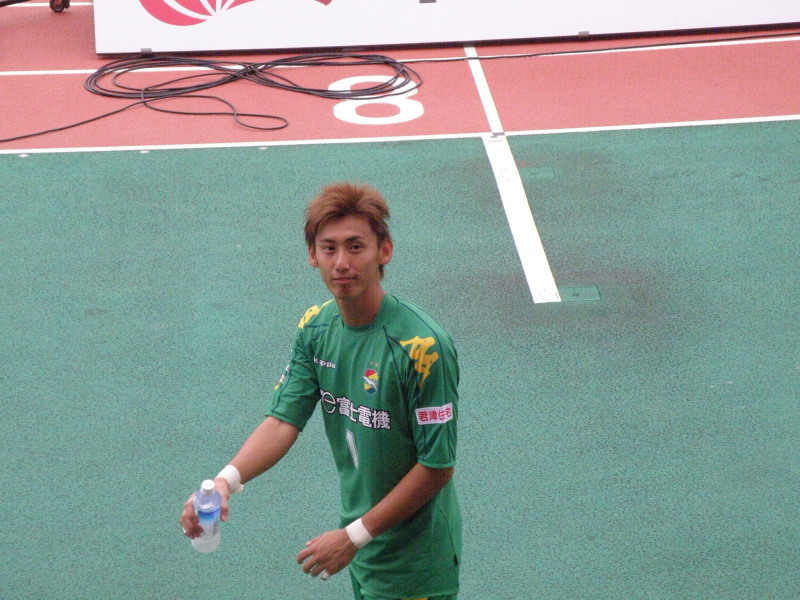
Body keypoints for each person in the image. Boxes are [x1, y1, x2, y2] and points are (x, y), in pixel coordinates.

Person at [180, 182, 462, 600]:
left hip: (414, 560)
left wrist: (353, 536)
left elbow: (437, 466)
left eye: (355, 247)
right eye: (329, 248)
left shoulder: (421, 348)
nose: (341, 263)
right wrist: (224, 482)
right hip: (363, 541)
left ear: (384, 251)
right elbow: (283, 420)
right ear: (313, 255)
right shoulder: (315, 328)